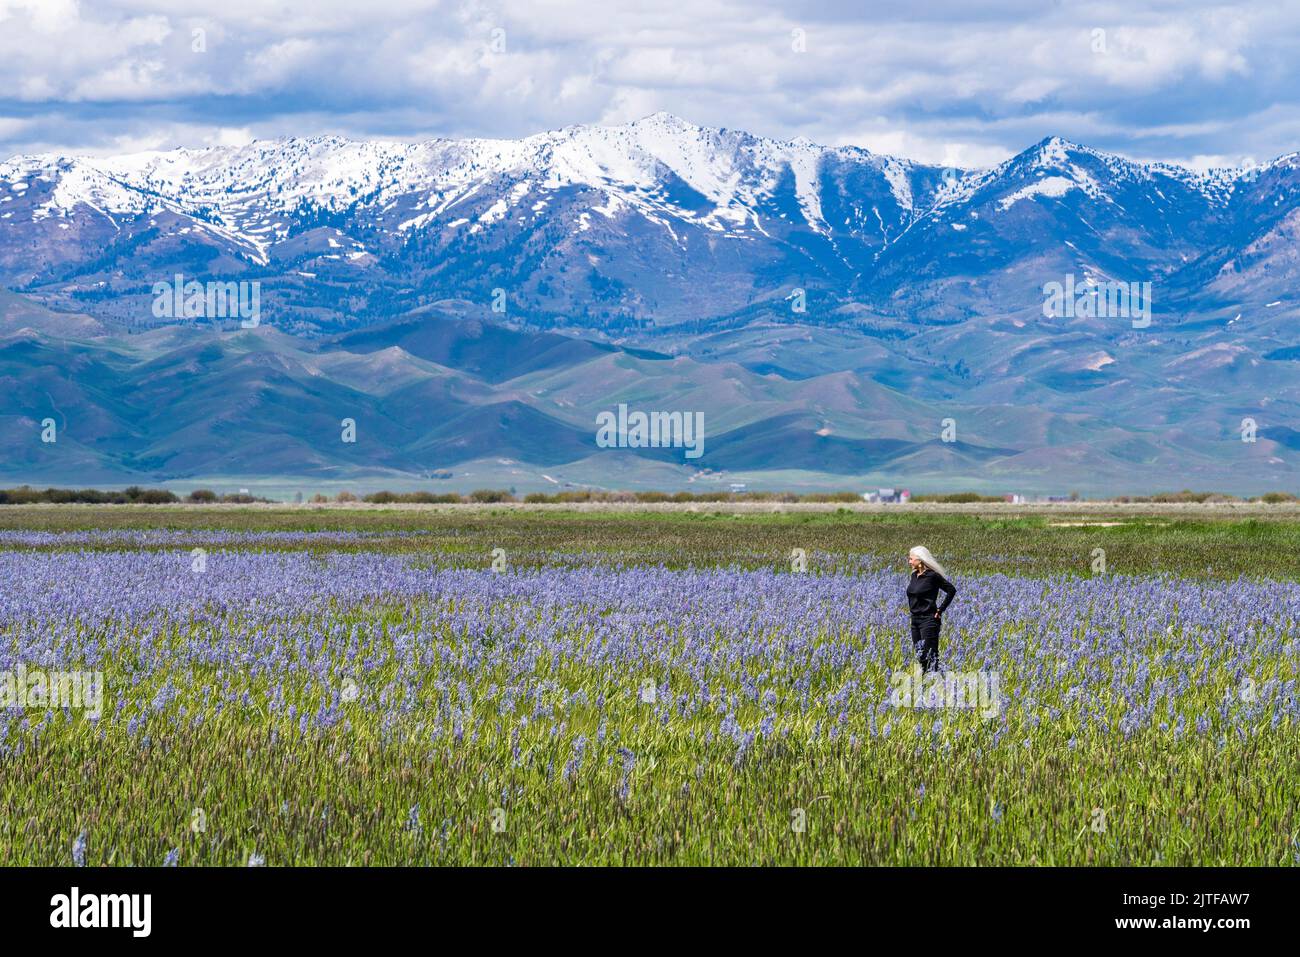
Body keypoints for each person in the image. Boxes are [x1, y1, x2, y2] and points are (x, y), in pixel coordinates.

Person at [906, 545, 955, 673]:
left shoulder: (932, 576)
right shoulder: (914, 575)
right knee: (920, 656)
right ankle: (926, 684)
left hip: (929, 620)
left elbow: (951, 590)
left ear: (920, 560)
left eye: (911, 559)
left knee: (931, 656)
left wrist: (940, 610)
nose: (909, 561)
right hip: (915, 621)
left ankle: (936, 684)